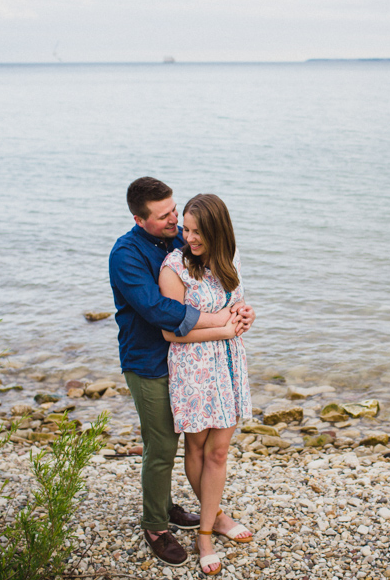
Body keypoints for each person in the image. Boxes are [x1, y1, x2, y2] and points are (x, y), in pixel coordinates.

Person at [109, 177, 255, 567]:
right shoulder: (126, 255)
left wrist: (240, 312)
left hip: (194, 360)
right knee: (163, 447)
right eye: (165, 216)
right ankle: (156, 525)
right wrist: (223, 322)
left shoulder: (178, 239)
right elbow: (161, 313)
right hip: (149, 361)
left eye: (175, 210)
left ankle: (176, 507)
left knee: (198, 447)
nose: (176, 221)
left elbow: (211, 277)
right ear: (140, 220)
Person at [158, 193, 253, 576]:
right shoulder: (174, 267)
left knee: (219, 453)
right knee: (197, 449)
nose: (189, 237)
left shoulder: (229, 259)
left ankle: (212, 519)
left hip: (230, 365)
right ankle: (206, 534)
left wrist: (246, 315)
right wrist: (225, 327)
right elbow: (171, 332)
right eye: (187, 228)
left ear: (217, 230)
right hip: (193, 368)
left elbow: (237, 306)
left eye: (198, 231)